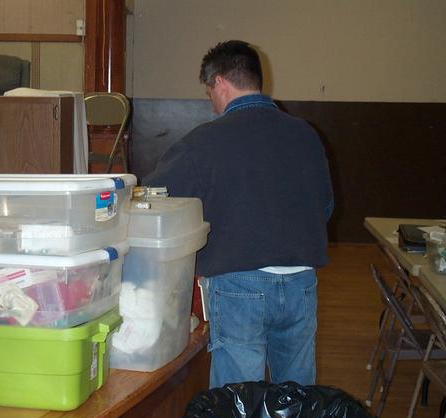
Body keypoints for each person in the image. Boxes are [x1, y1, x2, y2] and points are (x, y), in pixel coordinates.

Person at [142, 40, 334, 388]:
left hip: (238, 285)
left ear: (219, 83)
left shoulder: (204, 141)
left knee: (238, 398)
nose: (212, 104)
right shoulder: (305, 134)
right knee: (297, 395)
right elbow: (325, 207)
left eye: (209, 94)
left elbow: (154, 197)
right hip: (301, 284)